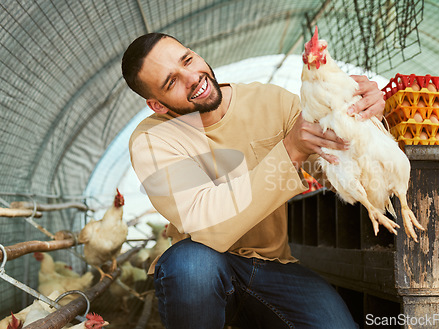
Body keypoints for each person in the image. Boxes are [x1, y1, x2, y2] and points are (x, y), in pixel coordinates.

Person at [122, 32, 385, 329]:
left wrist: (362, 116)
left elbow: (340, 167)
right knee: (190, 265)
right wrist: (291, 150)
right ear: (157, 105)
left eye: (188, 60)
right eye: (171, 82)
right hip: (206, 269)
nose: (192, 77)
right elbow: (209, 225)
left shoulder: (270, 101)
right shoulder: (153, 139)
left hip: (274, 266)